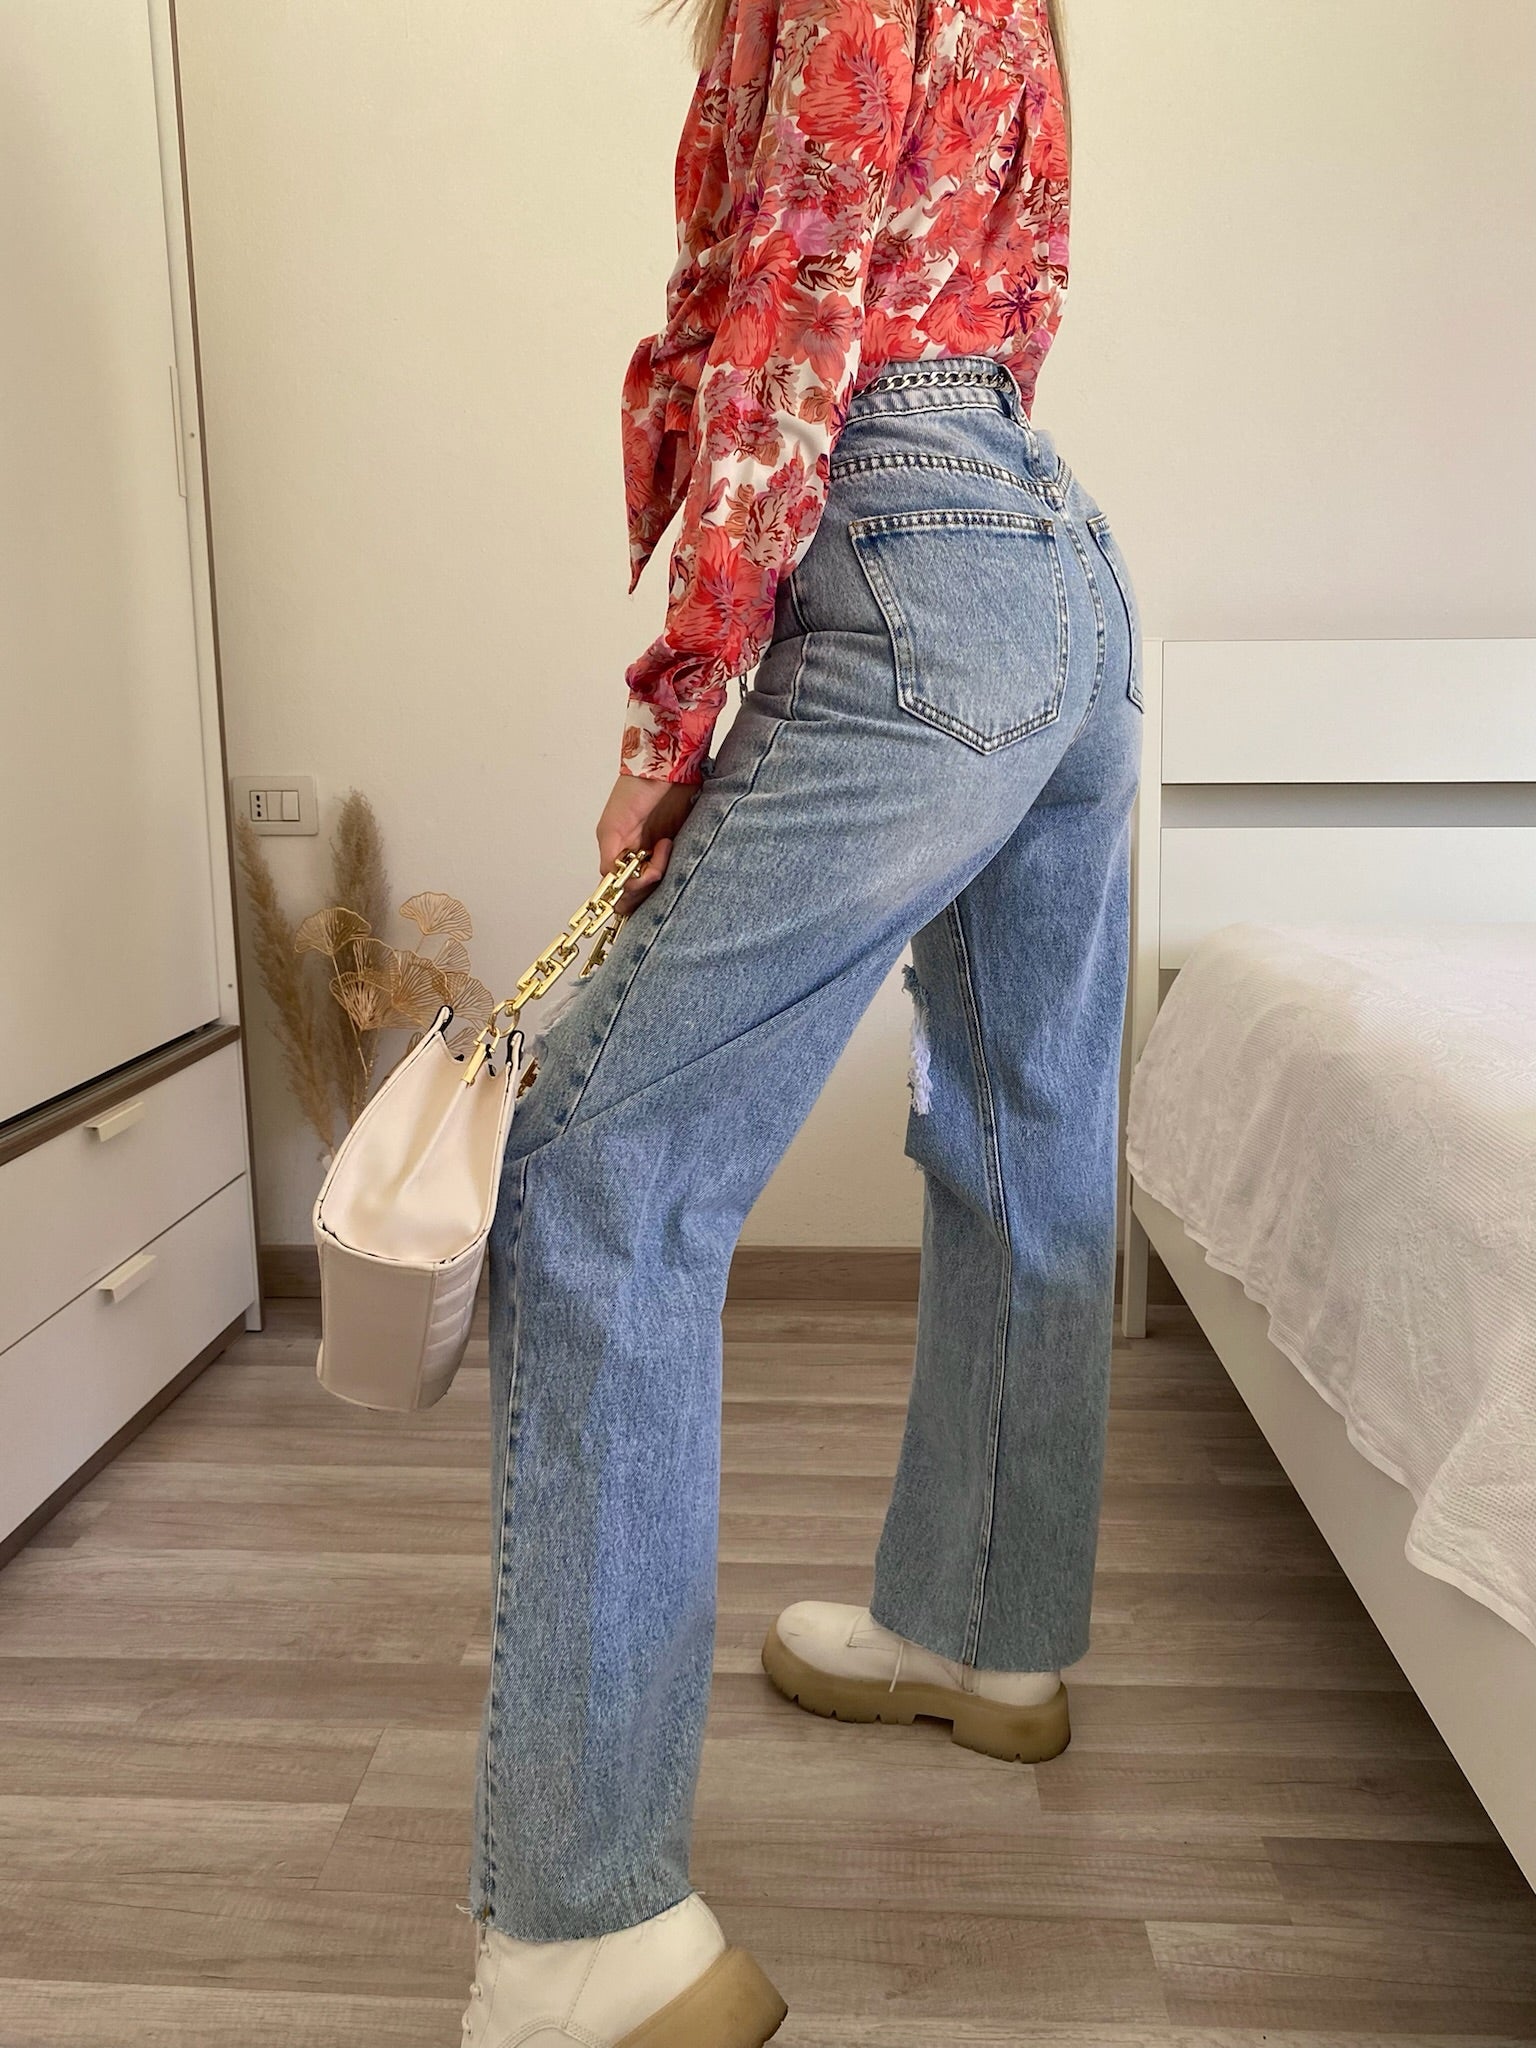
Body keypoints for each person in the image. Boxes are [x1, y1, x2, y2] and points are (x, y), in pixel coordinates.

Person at [461, 0, 1141, 2039]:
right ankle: (982, 1632)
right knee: (1022, 1130)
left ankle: (588, 1932)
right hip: (1054, 564)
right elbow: (1001, 280)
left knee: (593, 1170)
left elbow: (788, 311)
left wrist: (671, 736)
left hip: (914, 543)